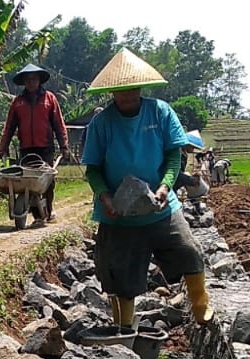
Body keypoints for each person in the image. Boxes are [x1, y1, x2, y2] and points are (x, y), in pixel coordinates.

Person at [80, 49, 214, 326]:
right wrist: (105, 197)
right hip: (117, 213)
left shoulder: (160, 112)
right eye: (122, 91)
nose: (128, 95)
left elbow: (173, 156)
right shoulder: (101, 123)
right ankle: (125, 328)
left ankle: (200, 306)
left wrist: (165, 187)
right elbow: (92, 168)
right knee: (119, 275)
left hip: (160, 206)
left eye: (133, 89)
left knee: (187, 249)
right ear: (112, 92)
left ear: (141, 87)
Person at [0, 63, 70, 224]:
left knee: (47, 180)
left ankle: (48, 210)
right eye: (28, 79)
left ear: (39, 81)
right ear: (23, 82)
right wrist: (3, 147)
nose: (31, 82)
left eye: (34, 79)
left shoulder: (49, 99)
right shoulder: (18, 102)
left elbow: (58, 123)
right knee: (29, 182)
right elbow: (9, 127)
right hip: (26, 148)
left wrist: (64, 145)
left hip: (45, 147)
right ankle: (37, 216)